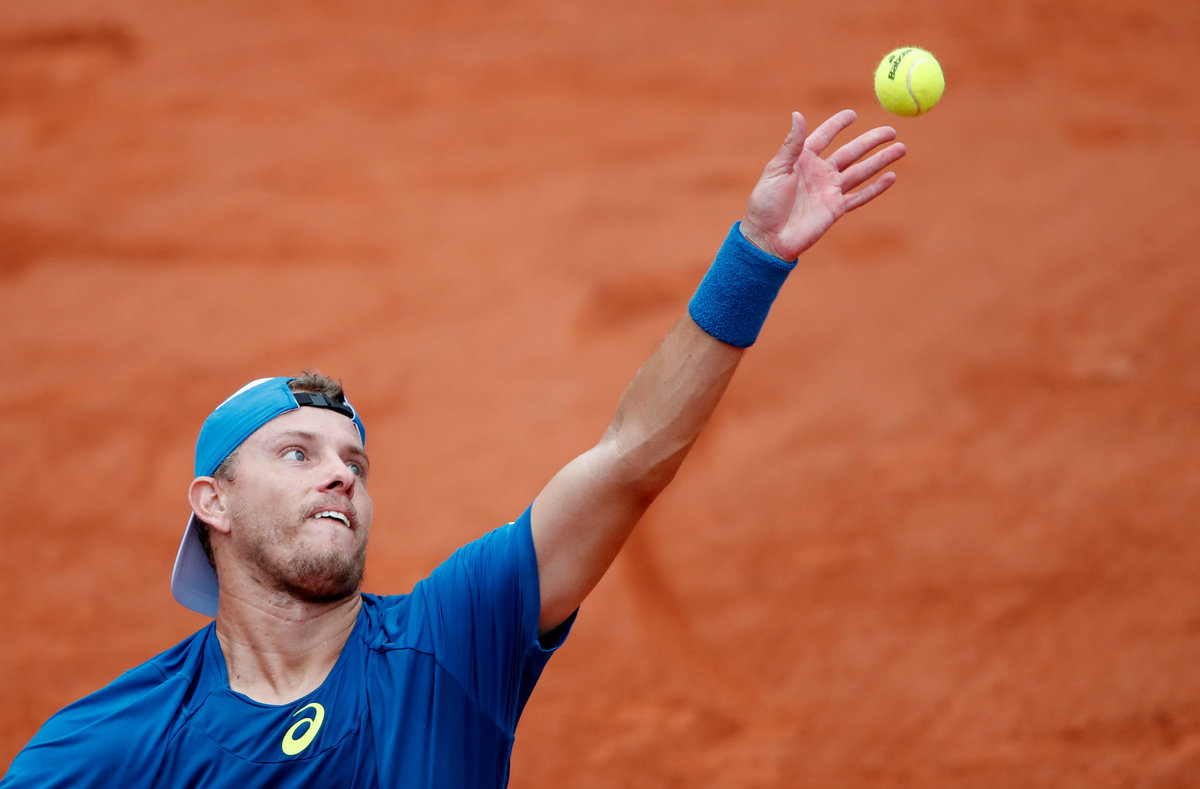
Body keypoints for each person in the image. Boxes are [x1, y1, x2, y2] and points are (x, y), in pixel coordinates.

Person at [1, 109, 905, 787]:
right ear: (214, 502)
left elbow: (631, 456)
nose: (338, 474)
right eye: (297, 453)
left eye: (354, 462)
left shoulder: (450, 642)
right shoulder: (117, 742)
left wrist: (754, 256)